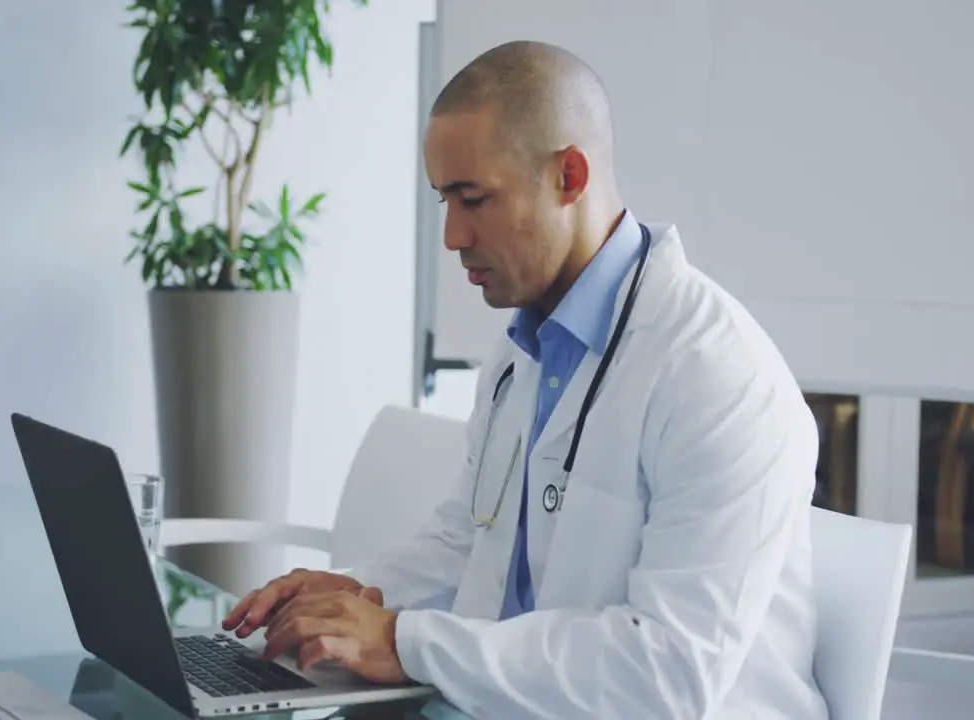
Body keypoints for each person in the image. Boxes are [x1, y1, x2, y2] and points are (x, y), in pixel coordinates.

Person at [222, 40, 829, 719]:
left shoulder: (720, 378)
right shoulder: (525, 351)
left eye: (473, 198)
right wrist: (353, 596)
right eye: (443, 200)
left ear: (570, 175)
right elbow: (467, 541)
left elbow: (670, 677)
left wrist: (405, 641)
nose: (452, 235)